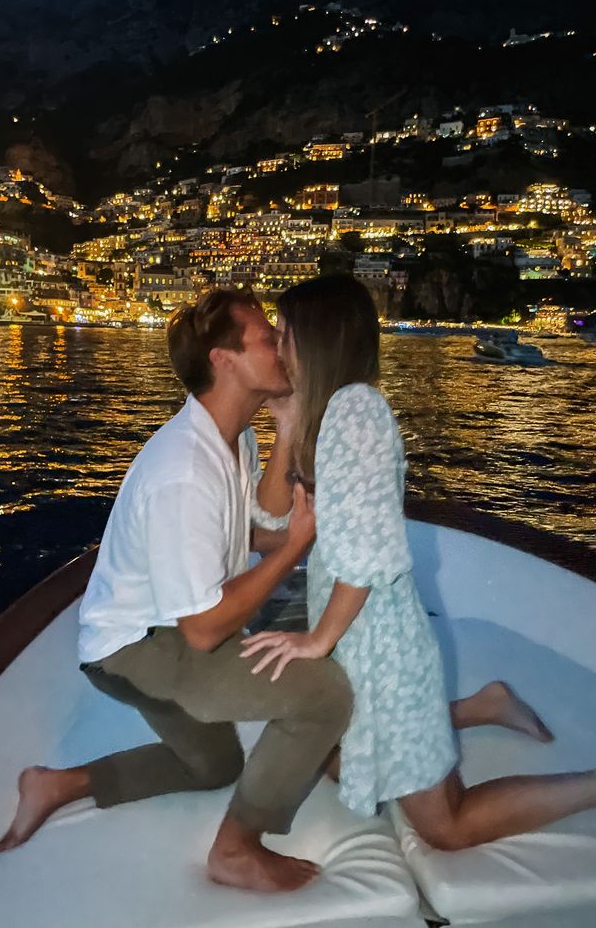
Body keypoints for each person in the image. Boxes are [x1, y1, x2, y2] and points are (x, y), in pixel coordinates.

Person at [0, 287, 353, 892]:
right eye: (269, 338)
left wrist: (287, 428)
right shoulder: (183, 470)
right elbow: (206, 627)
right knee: (325, 691)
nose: (283, 346)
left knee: (215, 765)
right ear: (225, 359)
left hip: (165, 626)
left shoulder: (232, 436)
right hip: (134, 648)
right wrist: (295, 546)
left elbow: (256, 527)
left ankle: (58, 784)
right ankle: (237, 848)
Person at [243, 274, 596, 851]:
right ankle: (483, 705)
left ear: (318, 338)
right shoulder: (324, 415)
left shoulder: (355, 413)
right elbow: (274, 525)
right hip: (359, 638)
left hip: (383, 650)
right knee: (333, 756)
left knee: (444, 827)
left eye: (285, 332)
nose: (278, 345)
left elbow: (367, 554)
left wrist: (317, 642)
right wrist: (284, 425)